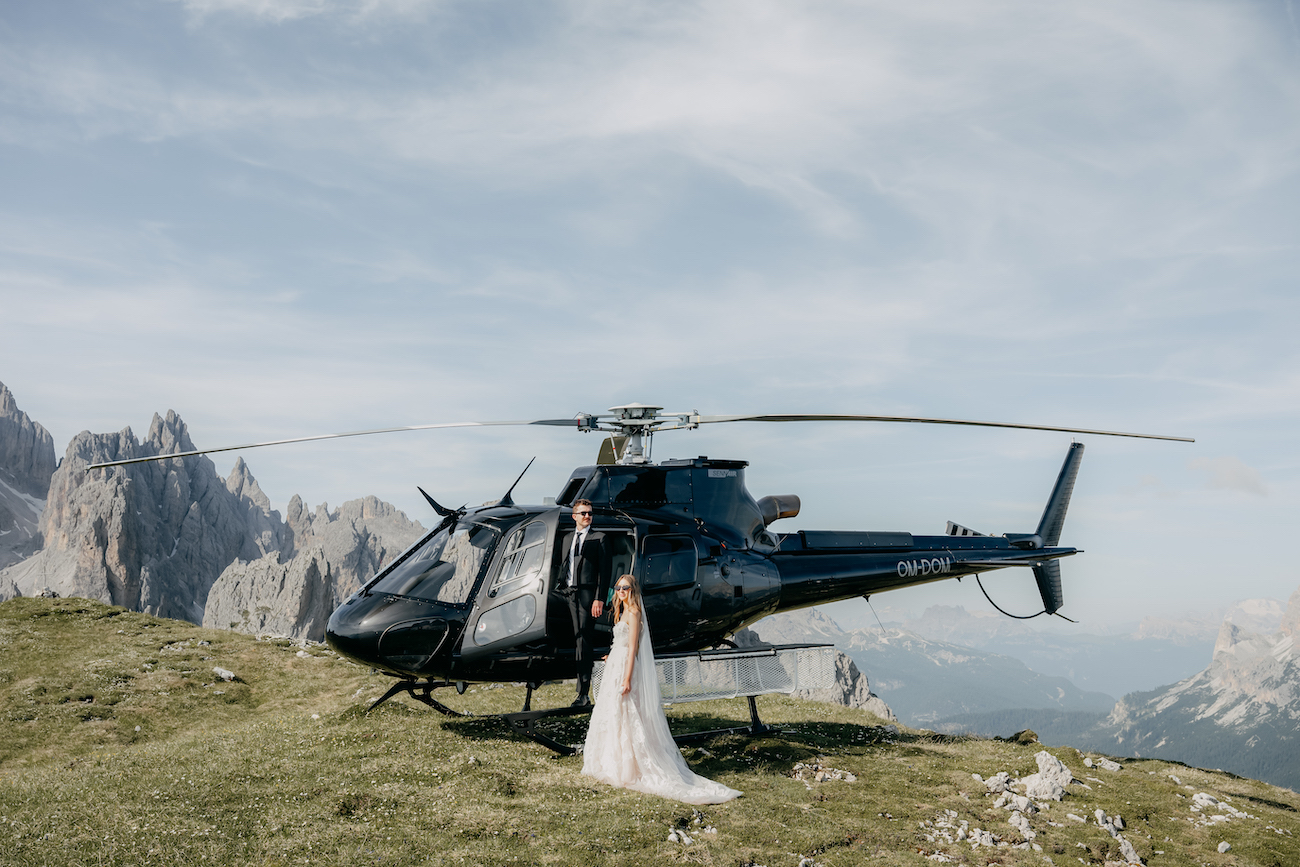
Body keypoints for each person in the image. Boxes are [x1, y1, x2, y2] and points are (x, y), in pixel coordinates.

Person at [582, 574, 741, 804]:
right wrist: (611, 655)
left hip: (625, 670)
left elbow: (634, 647)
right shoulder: (622, 611)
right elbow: (621, 643)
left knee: (628, 712)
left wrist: (627, 678)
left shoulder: (635, 613)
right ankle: (612, 760)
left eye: (625, 587)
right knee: (612, 712)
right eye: (617, 587)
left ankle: (631, 765)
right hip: (615, 664)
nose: (620, 591)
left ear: (633, 589)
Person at [554, 499, 609, 706]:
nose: (588, 516)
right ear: (574, 516)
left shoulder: (600, 538)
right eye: (584, 513)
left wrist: (599, 599)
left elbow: (605, 572)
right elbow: (564, 565)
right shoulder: (568, 538)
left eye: (590, 514)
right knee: (573, 637)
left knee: (584, 639)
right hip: (568, 593)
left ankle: (583, 692)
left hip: (588, 594)